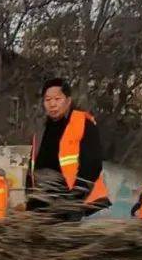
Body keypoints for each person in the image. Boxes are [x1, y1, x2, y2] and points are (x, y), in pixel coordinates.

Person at [28, 78, 110, 217]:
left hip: (74, 201)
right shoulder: (41, 128)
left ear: (68, 100)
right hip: (43, 201)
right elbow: (34, 164)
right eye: (47, 100)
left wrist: (75, 197)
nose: (52, 104)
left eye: (57, 99)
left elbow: (92, 163)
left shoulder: (82, 123)